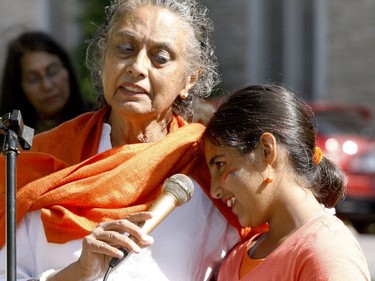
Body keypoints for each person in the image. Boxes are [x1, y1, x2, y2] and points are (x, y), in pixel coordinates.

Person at [0, 1, 264, 280]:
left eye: (160, 57)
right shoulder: (42, 161)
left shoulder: (212, 170)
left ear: (189, 80)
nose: (137, 67)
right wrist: (77, 273)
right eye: (125, 49)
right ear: (103, 60)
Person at [202, 84, 371, 280]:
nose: (214, 190)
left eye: (220, 165)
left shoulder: (327, 250)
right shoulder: (237, 257)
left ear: (267, 150)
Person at [0, 31, 93, 134]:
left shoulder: (97, 121)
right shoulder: (15, 136)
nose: (47, 86)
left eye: (52, 72)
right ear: (19, 87)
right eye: (33, 79)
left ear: (67, 70)